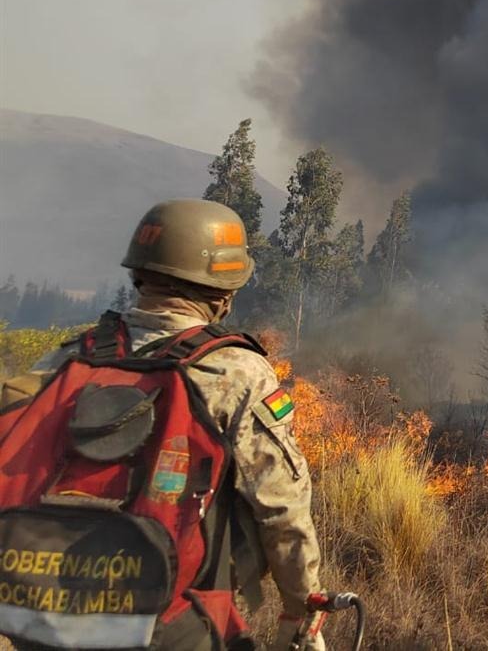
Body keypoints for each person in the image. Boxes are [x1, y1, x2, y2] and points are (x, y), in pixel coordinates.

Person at [0, 199, 324, 651]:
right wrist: (301, 612)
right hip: (172, 624)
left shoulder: (72, 355)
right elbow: (281, 507)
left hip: (45, 617)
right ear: (224, 291)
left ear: (139, 275)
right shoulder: (235, 370)